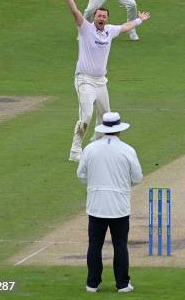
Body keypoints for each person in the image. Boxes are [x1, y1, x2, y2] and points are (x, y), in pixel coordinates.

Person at [59, 0, 150, 162]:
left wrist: (140, 20)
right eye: (99, 16)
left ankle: (95, 145)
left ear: (107, 19)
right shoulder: (85, 29)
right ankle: (75, 150)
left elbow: (125, 26)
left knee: (106, 116)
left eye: (104, 16)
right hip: (84, 79)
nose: (101, 18)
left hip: (101, 82)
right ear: (94, 18)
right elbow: (75, 11)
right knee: (86, 115)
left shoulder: (110, 30)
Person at [77, 112, 143, 293]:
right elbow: (137, 178)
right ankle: (122, 284)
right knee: (120, 244)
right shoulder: (127, 150)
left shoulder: (91, 148)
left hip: (96, 204)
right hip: (119, 206)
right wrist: (122, 185)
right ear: (119, 131)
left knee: (95, 244)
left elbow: (81, 175)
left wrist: (95, 184)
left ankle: (92, 283)